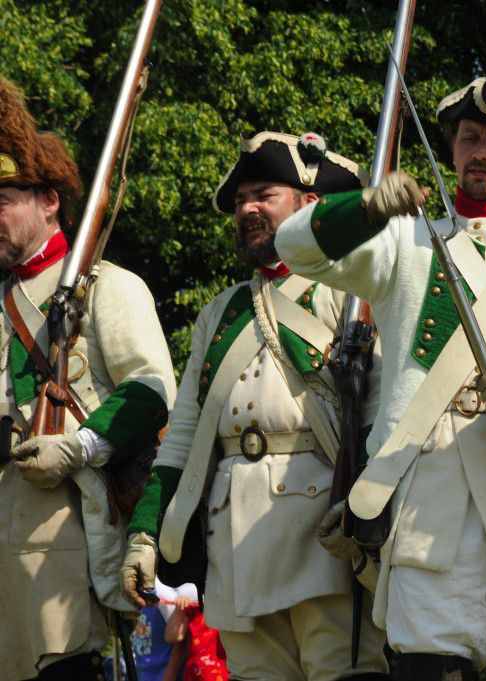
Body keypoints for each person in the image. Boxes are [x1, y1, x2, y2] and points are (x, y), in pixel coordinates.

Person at [275, 77, 486, 680]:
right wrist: (366, 207)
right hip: (430, 498)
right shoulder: (402, 241)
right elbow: (296, 247)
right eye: (469, 138)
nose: (480, 152)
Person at [119, 131, 389, 680]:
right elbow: (184, 433)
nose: (247, 209)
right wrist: (145, 533)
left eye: (264, 195)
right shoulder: (222, 311)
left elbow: (382, 409)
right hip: (234, 542)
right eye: (242, 200)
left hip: (325, 531)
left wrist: (372, 506)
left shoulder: (350, 291)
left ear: (308, 204)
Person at [0, 78, 177, 680]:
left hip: (69, 528)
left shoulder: (108, 286)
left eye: (3, 199)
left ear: (49, 201)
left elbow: (151, 393)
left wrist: (76, 447)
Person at [163, 584, 229, 680]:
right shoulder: (193, 609)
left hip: (224, 675)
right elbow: (172, 636)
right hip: (193, 675)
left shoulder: (228, 611)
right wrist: (179, 609)